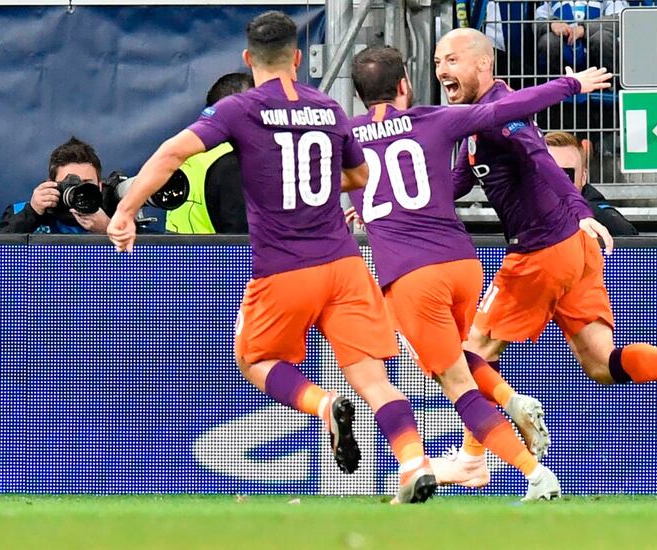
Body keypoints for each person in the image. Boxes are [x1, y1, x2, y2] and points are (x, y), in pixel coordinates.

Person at [107, 11, 436, 504]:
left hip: (285, 267)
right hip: (346, 265)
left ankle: (323, 406)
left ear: (247, 59)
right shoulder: (327, 107)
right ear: (299, 59)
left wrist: (126, 211)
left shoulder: (241, 109)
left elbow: (173, 153)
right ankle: (414, 462)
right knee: (370, 372)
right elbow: (361, 177)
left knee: (256, 357)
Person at [433, 27, 657, 486]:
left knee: (469, 353)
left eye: (452, 60)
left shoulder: (502, 117)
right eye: (439, 61)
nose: (442, 70)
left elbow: (543, 162)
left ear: (483, 64)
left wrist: (581, 210)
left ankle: (471, 456)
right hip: (573, 253)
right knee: (601, 363)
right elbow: (449, 187)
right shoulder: (478, 122)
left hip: (541, 250)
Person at [347, 46, 611, 499]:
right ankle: (503, 410)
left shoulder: (345, 139)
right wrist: (572, 84)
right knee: (467, 355)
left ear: (357, 95)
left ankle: (531, 471)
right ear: (405, 85)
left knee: (453, 380)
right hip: (462, 263)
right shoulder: (432, 119)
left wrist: (359, 212)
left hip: (410, 274)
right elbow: (511, 106)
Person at [166, 72, 254, 234]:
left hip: (177, 256)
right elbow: (243, 241)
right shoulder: (234, 162)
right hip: (220, 258)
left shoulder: (187, 152)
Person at [0, 137, 110, 234]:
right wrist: (32, 212)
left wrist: (108, 230)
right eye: (70, 184)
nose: (78, 191)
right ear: (50, 184)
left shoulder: (116, 216)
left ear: (99, 186)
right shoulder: (19, 212)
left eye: (87, 184)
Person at [544, 131, 637, 236]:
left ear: (583, 177)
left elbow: (627, 234)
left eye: (566, 175)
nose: (558, 184)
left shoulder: (602, 217)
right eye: (549, 174)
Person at [535, 0, 626, 76]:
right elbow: (537, 21)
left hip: (595, 53)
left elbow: (620, 18)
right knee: (548, 41)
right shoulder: (551, 3)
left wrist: (585, 28)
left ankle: (612, 84)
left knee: (603, 38)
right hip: (565, 50)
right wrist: (552, 24)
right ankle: (558, 86)